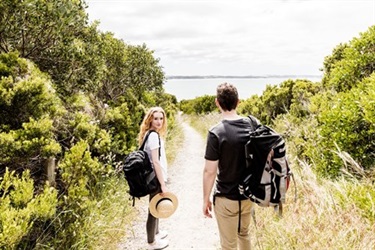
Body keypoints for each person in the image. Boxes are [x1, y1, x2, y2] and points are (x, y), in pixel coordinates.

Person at [203, 83, 257, 250]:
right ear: (238, 102)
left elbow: (210, 171)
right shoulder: (252, 124)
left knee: (229, 245)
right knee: (244, 235)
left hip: (226, 198)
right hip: (249, 196)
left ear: (217, 102)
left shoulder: (216, 133)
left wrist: (205, 200)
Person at [138, 107, 169, 250]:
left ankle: (156, 232)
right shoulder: (153, 136)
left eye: (161, 118)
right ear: (150, 119)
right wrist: (162, 184)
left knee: (156, 204)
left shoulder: (149, 134)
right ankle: (151, 242)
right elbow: (155, 161)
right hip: (155, 177)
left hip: (153, 176)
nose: (159, 121)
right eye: (155, 118)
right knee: (154, 208)